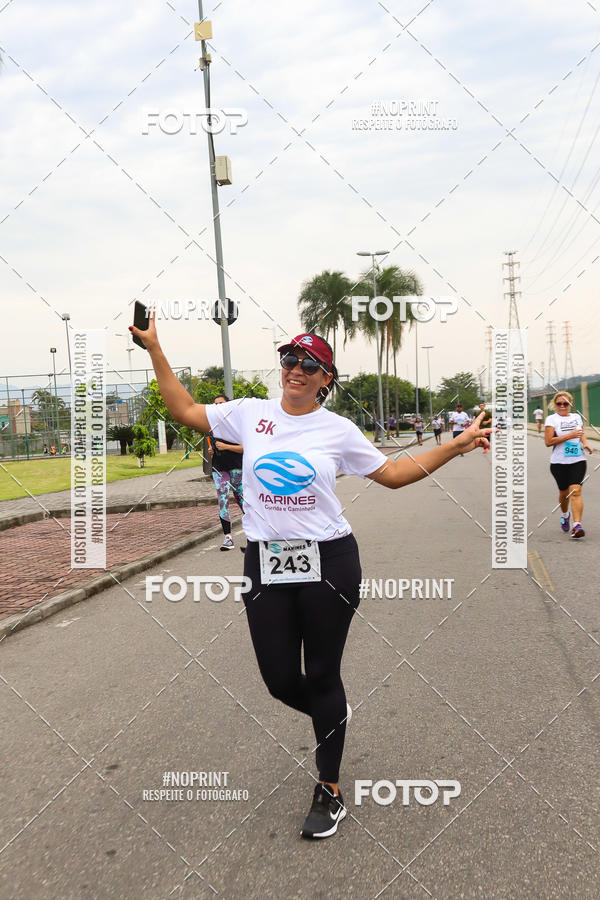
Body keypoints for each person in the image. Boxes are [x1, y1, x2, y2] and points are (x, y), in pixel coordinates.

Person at [130, 314, 491, 840]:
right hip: (266, 563)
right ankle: (333, 715)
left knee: (322, 672)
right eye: (289, 359)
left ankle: (330, 787)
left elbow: (392, 475)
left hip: (330, 560)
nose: (295, 369)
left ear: (326, 378)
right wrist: (155, 349)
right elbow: (183, 409)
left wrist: (455, 447)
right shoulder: (249, 415)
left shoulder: (338, 430)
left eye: (309, 364)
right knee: (279, 679)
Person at [544, 391, 592, 538]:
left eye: (566, 403)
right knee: (564, 493)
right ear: (555, 405)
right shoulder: (551, 419)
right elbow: (548, 442)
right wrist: (569, 436)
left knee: (576, 491)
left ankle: (577, 526)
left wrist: (585, 443)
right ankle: (565, 514)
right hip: (558, 463)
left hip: (578, 460)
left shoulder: (576, 417)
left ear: (570, 404)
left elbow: (580, 432)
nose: (563, 406)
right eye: (559, 403)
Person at [207, 394, 244, 550]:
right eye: (215, 404)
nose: (218, 406)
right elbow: (212, 447)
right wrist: (211, 450)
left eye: (221, 403)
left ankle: (254, 533)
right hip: (219, 467)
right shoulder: (211, 426)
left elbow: (246, 447)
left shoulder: (238, 425)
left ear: (228, 405)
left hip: (236, 466)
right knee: (223, 500)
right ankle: (227, 538)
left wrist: (227, 447)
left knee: (241, 498)